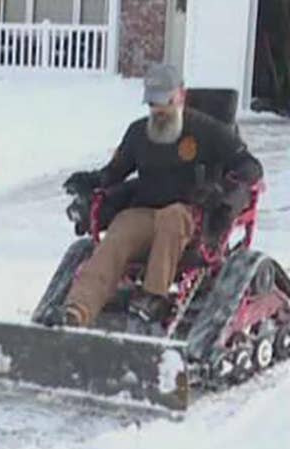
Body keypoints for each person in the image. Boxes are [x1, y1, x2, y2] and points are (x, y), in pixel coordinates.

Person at [51, 63, 263, 330]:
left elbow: (250, 167)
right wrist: (90, 182)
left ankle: (154, 297)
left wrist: (222, 190)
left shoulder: (209, 131)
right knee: (123, 226)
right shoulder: (138, 133)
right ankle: (77, 311)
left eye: (166, 101)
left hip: (191, 216)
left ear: (181, 96)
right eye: (152, 103)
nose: (159, 109)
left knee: (172, 217)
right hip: (146, 212)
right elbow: (114, 172)